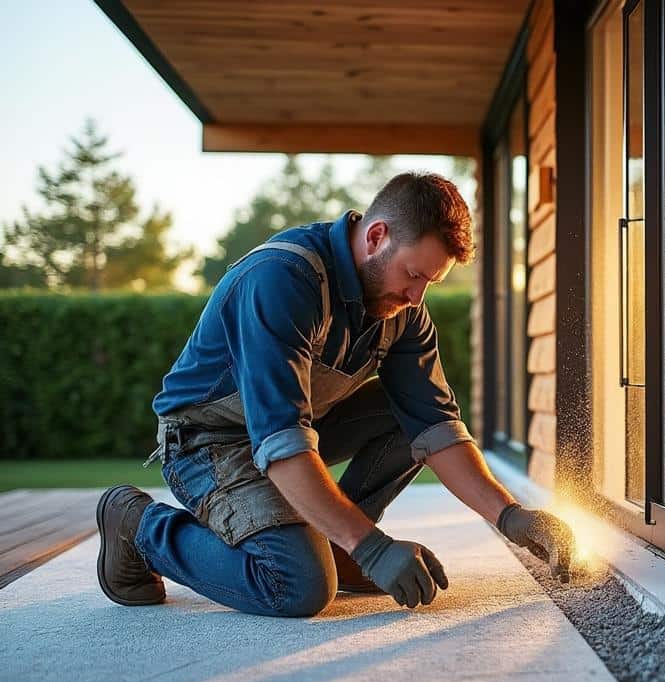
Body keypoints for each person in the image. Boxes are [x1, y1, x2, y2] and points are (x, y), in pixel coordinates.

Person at [94, 171, 574, 617]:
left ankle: (339, 541)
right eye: (413, 274)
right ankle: (138, 526)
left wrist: (511, 516)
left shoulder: (402, 312)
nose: (416, 297)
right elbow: (280, 444)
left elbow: (436, 428)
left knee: (406, 413)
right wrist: (374, 548)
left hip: (293, 433)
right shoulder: (281, 281)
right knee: (297, 584)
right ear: (376, 237)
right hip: (208, 442)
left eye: (430, 282)